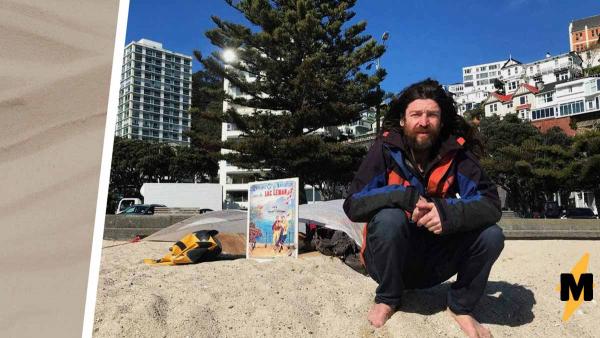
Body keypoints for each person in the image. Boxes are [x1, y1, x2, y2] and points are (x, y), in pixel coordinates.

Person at [343, 79, 504, 338]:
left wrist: (447, 213)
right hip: (385, 262)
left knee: (492, 235)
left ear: (441, 121)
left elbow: (490, 203)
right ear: (403, 120)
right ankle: (388, 297)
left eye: (432, 115)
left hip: (435, 266)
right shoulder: (384, 149)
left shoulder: (457, 153)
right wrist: (401, 196)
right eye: (416, 114)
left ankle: (461, 306)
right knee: (389, 219)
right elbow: (353, 204)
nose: (424, 121)